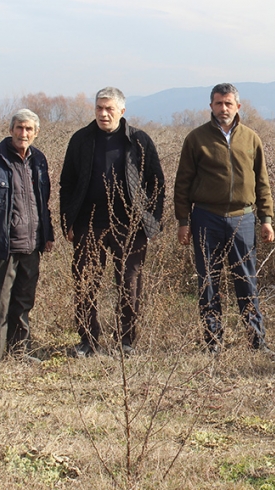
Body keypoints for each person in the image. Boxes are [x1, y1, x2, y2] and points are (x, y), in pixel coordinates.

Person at [59, 87, 164, 357]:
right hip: (88, 222)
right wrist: (67, 221)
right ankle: (87, 341)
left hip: (130, 226)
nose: (103, 114)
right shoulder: (81, 140)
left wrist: (150, 221)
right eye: (99, 108)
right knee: (85, 282)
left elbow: (156, 184)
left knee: (130, 284)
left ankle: (125, 341)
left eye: (109, 109)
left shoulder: (139, 140)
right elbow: (67, 183)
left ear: (122, 111)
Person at [174, 83, 275, 355]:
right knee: (209, 282)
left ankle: (257, 342)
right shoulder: (196, 139)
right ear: (211, 106)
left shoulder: (251, 138)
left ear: (238, 106)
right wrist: (183, 221)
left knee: (247, 281)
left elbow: (262, 182)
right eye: (218, 103)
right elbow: (182, 184)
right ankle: (213, 343)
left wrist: (266, 218)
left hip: (243, 220)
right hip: (206, 218)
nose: (223, 109)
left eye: (228, 103)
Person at [0, 109, 53, 370]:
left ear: (36, 133)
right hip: (1, 245)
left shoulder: (39, 160)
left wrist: (47, 235)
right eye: (19, 128)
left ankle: (20, 351)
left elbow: (43, 203)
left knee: (24, 301)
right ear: (11, 129)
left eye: (28, 129)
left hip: (31, 244)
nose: (23, 133)